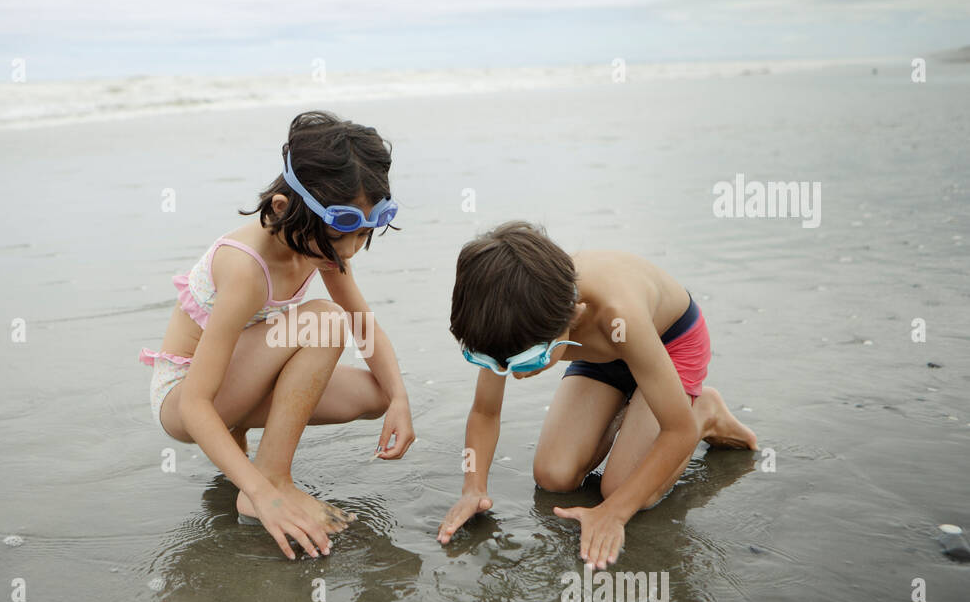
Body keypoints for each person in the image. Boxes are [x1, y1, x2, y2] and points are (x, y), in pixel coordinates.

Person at [140, 111, 416, 560]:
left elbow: (364, 326)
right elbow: (194, 404)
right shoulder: (245, 268)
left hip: (242, 379)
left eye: (363, 234)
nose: (347, 252)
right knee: (324, 320)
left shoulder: (316, 239)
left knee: (378, 392)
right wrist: (260, 490)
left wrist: (401, 399)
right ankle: (270, 481)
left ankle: (248, 442)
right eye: (340, 236)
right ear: (286, 209)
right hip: (184, 398)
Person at [437, 221, 756, 568]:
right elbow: (485, 412)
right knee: (553, 476)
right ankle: (631, 405)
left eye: (530, 360)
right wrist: (473, 487)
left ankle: (703, 411)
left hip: (669, 347)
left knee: (620, 489)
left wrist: (614, 514)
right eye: (493, 362)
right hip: (602, 357)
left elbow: (676, 433)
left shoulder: (617, 314)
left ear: (568, 318)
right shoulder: (506, 314)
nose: (515, 372)